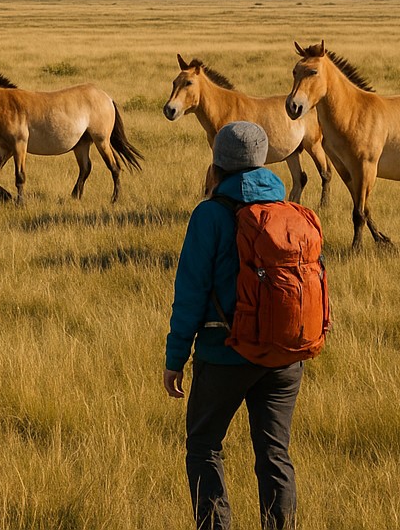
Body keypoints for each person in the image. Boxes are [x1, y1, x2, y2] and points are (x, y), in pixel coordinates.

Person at [163, 121, 307, 530]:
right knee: (274, 454)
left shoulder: (209, 215)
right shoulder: (291, 214)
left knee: (204, 446)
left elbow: (190, 293)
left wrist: (176, 358)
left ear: (218, 162)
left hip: (224, 353)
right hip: (284, 357)